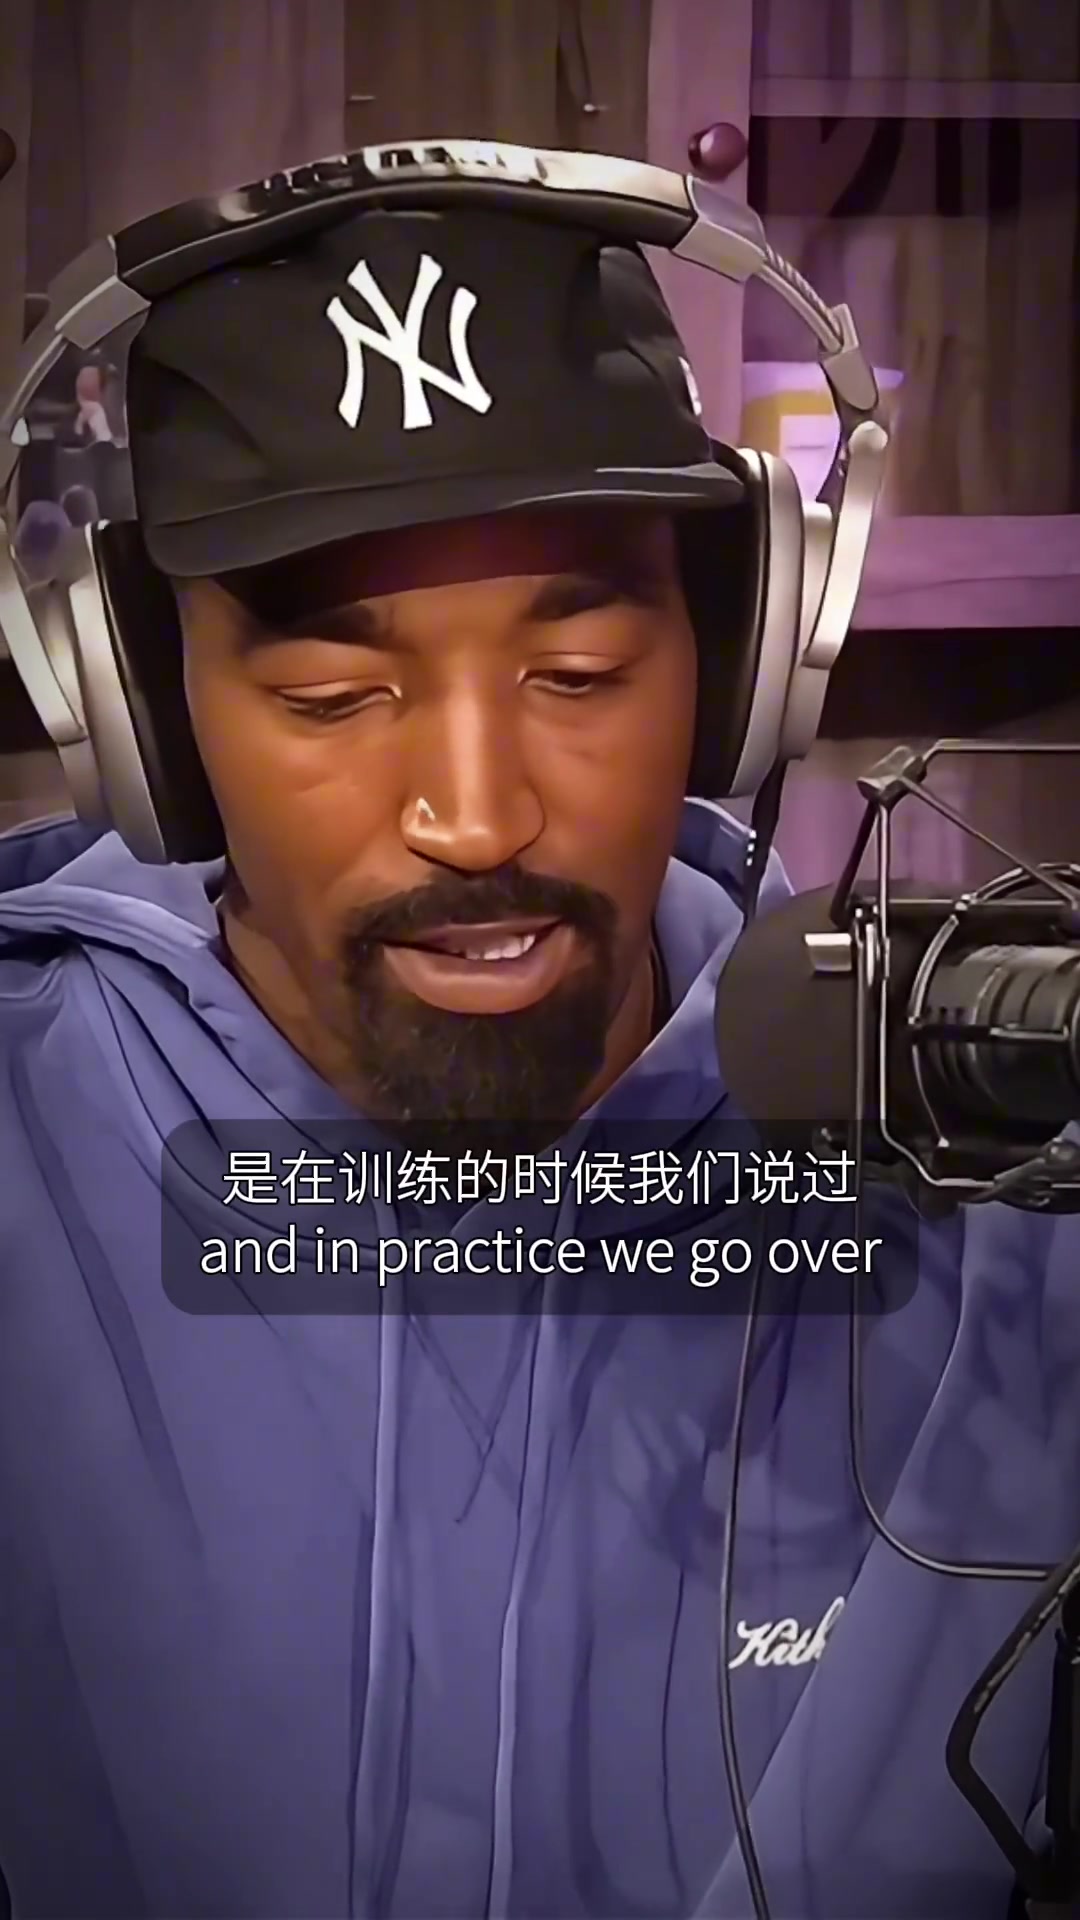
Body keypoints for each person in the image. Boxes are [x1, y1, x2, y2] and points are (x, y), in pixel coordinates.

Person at [0, 198, 1075, 1920]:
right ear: (134, 707)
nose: (477, 815)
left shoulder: (993, 1161)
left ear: (746, 671)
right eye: (334, 698)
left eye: (576, 674)